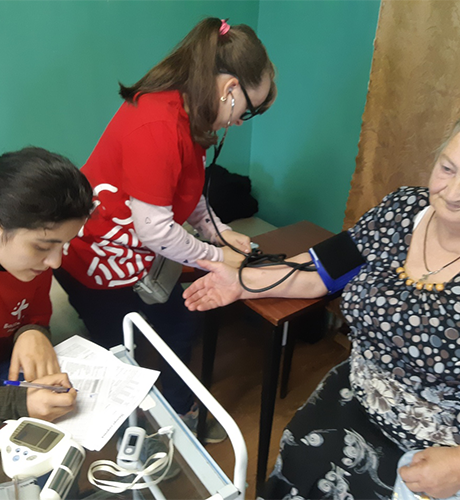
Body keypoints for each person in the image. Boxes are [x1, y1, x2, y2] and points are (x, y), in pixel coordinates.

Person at [183, 121, 460, 498]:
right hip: (354, 394)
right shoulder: (403, 208)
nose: (452, 193)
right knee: (297, 464)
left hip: (433, 452)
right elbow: (323, 271)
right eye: (447, 168)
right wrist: (241, 282)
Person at [54, 17, 276, 430]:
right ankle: (129, 433)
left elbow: (187, 193)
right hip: (95, 258)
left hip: (136, 253)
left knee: (182, 318)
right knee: (120, 353)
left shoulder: (189, 114)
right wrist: (217, 258)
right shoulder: (158, 124)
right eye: (250, 108)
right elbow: (156, 230)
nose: (241, 121)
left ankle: (178, 412)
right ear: (230, 88)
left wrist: (221, 233)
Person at [0, 147, 93, 427]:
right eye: (43, 247)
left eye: (63, 245)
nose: (55, 262)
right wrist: (18, 405)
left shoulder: (30, 261)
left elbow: (33, 313)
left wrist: (31, 331)